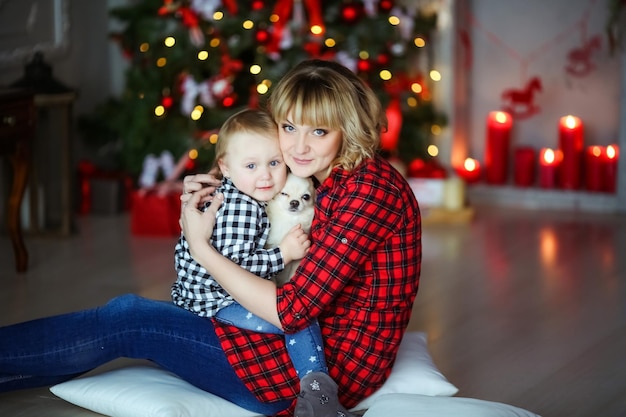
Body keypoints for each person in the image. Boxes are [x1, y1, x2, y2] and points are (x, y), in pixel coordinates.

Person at [0, 59, 421, 417]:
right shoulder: (323, 172)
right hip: (292, 336)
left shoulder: (370, 193)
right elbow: (258, 184)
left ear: (346, 129)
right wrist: (220, 189)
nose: (298, 147)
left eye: (319, 132)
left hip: (319, 370)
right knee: (130, 317)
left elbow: (293, 311)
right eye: (290, 127)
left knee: (130, 319)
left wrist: (201, 246)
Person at [172, 108, 333, 386]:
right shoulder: (244, 208)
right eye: (251, 166)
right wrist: (282, 254)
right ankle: (318, 393)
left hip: (204, 294)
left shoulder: (238, 191)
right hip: (216, 301)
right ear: (225, 168)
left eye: (274, 163)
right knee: (296, 320)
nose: (266, 177)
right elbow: (237, 266)